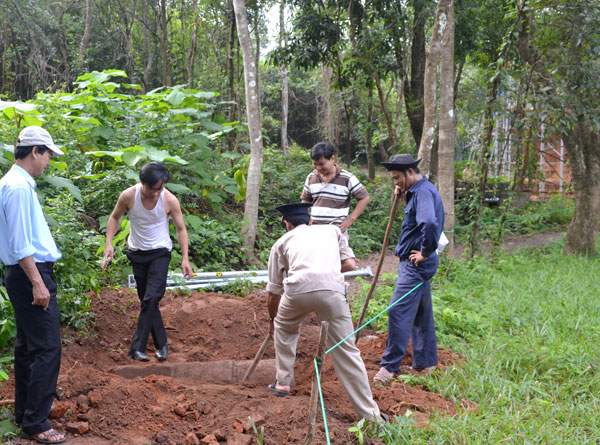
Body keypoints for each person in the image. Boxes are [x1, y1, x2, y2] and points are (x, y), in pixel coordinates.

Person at [266, 202, 384, 422]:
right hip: (333, 291)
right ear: (310, 221)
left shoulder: (281, 242)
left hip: (296, 290)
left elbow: (274, 292)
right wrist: (325, 272)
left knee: (285, 328)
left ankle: (282, 382)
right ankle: (370, 417)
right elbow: (349, 264)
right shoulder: (332, 230)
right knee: (347, 351)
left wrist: (273, 320)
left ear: (287, 225)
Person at [0, 126, 67, 443]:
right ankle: (37, 422)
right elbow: (20, 243)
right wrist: (38, 283)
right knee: (47, 348)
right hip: (31, 274)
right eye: (48, 155)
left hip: (23, 274)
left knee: (27, 348)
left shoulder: (13, 184)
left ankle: (26, 415)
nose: (49, 162)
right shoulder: (18, 188)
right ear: (35, 151)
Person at [102, 162, 193, 362]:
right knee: (147, 302)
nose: (157, 193)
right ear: (143, 183)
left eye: (160, 188)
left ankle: (137, 348)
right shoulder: (128, 196)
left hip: (160, 252)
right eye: (154, 188)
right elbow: (115, 217)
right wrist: (108, 244)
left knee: (152, 298)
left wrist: (185, 258)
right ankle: (161, 345)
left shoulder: (169, 200)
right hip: (137, 253)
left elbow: (180, 229)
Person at [373, 154, 445, 385]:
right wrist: (403, 193)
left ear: (410, 172)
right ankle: (426, 362)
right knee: (421, 313)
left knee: (397, 311)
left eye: (397, 178)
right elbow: (418, 219)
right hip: (418, 264)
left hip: (415, 264)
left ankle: (389, 367)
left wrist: (425, 251)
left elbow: (430, 223)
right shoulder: (417, 191)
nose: (395, 182)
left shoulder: (422, 192)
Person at [301, 142, 369, 255]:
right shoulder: (311, 177)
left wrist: (351, 218)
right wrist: (305, 217)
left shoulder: (347, 178)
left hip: (337, 231)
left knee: (345, 262)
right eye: (315, 164)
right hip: (314, 231)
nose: (318, 168)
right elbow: (306, 200)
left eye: (321, 164)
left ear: (332, 158)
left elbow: (364, 197)